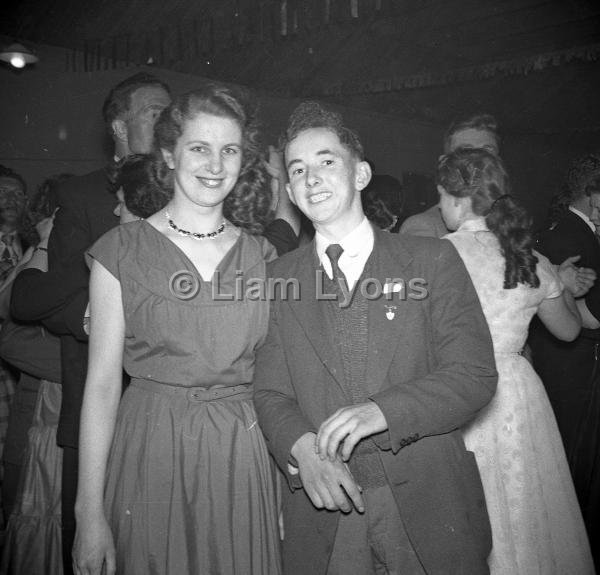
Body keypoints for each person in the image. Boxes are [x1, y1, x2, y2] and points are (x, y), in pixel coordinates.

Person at [253, 101, 498, 574]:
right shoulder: (276, 279)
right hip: (328, 507)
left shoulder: (431, 261)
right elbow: (270, 392)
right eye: (298, 170)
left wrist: (382, 412)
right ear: (289, 190)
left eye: (327, 162)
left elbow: (474, 375)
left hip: (427, 504)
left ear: (361, 174)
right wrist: (302, 448)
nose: (312, 178)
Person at [73, 85, 282, 575]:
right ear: (169, 154)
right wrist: (89, 511)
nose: (215, 164)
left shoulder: (262, 256)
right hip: (152, 448)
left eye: (228, 150)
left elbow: (277, 380)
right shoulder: (120, 250)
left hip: (240, 455)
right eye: (199, 148)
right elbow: (102, 387)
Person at [10, 72, 172, 575]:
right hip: (102, 399)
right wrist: (107, 314)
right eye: (154, 112)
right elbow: (46, 298)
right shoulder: (83, 195)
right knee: (96, 551)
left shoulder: (193, 187)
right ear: (119, 126)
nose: (169, 121)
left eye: (173, 112)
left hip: (171, 409)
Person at [439, 148, 595, 574]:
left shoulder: (435, 256)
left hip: (460, 388)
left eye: (441, 197)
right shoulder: (529, 258)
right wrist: (563, 286)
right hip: (518, 393)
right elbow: (568, 330)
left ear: (455, 199)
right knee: (526, 505)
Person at [529, 153, 600, 566]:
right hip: (570, 363)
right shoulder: (569, 234)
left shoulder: (571, 230)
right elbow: (582, 315)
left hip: (572, 359)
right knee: (573, 456)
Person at [400, 113, 500, 238]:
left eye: (487, 152)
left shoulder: (512, 223)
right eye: (465, 153)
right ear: (444, 164)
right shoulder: (425, 227)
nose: (479, 162)